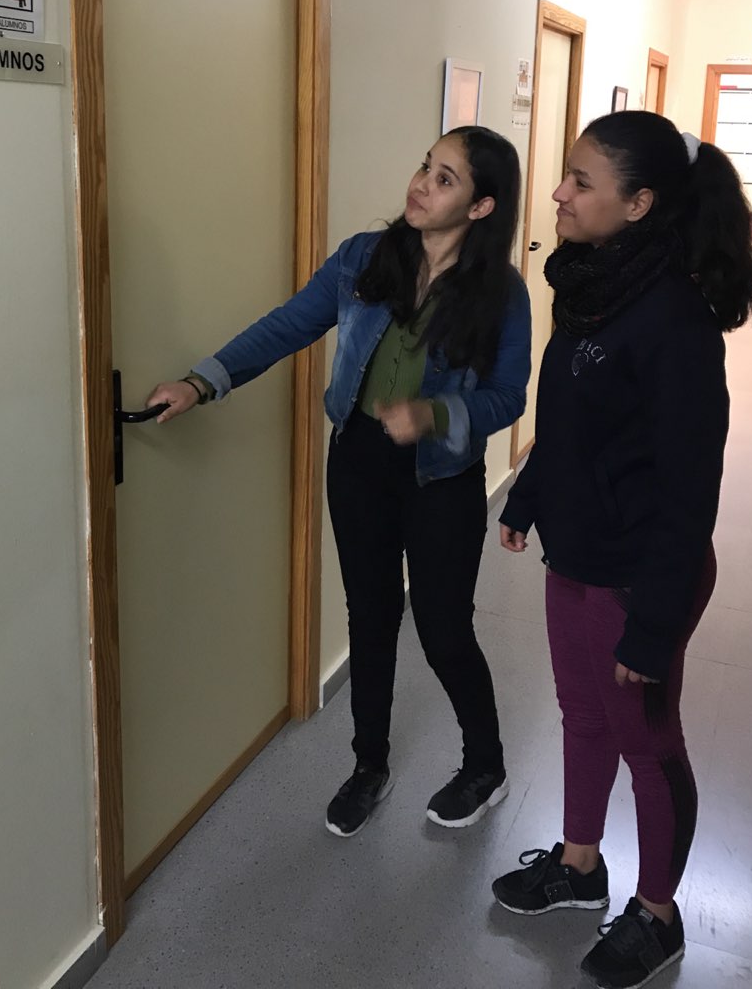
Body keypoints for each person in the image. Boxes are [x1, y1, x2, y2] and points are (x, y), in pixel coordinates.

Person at [146, 126, 531, 838]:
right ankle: (368, 767)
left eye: (445, 178)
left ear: (481, 207)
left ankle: (485, 766)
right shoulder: (364, 257)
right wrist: (204, 381)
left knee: (445, 631)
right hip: (358, 463)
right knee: (371, 616)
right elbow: (287, 326)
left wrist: (437, 412)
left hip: (442, 475)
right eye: (425, 166)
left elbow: (510, 396)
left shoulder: (501, 293)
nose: (421, 183)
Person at [491, 111, 752, 988]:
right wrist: (528, 496)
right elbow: (569, 420)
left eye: (580, 183)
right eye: (567, 176)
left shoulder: (674, 321)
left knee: (647, 741)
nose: (560, 194)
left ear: (639, 204)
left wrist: (650, 629)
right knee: (580, 716)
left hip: (645, 574)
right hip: (576, 555)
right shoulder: (591, 287)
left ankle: (658, 913)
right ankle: (579, 866)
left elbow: (690, 494)